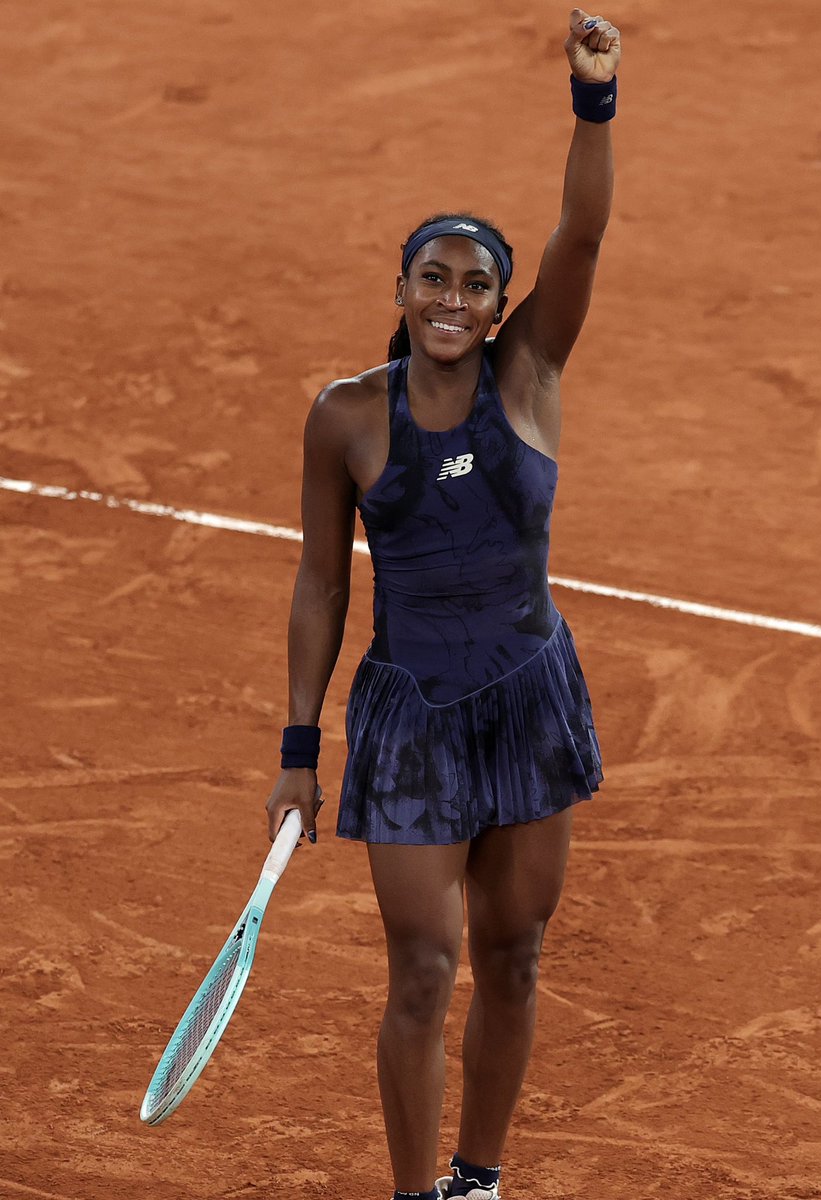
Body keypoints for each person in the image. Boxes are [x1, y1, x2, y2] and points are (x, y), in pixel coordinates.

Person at [265, 10, 620, 1199]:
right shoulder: (347, 418)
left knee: (513, 958)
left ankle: (480, 1179)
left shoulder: (531, 374)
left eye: (476, 284)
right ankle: (415, 1195)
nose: (454, 300)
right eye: (434, 279)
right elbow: (321, 578)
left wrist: (594, 101)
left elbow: (582, 230)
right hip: (412, 719)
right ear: (403, 287)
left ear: (501, 301)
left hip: (528, 703)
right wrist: (300, 750)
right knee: (423, 968)